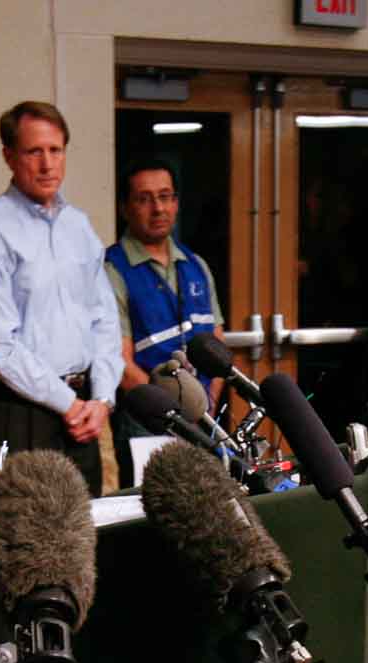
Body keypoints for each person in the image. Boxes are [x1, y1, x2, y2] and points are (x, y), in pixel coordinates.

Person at [0, 101, 123, 497]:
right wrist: (68, 403)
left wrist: (101, 398)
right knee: (29, 545)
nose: (47, 164)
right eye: (34, 152)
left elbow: (104, 319)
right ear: (9, 157)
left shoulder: (78, 227)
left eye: (56, 150)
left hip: (85, 415)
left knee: (85, 538)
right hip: (21, 412)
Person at [104, 158, 223, 486]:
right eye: (144, 199)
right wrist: (171, 414)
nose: (158, 208)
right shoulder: (112, 270)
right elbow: (120, 363)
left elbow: (216, 344)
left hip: (203, 421)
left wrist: (202, 409)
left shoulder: (195, 265)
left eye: (166, 196)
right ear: (125, 208)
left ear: (176, 203)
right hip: (147, 425)